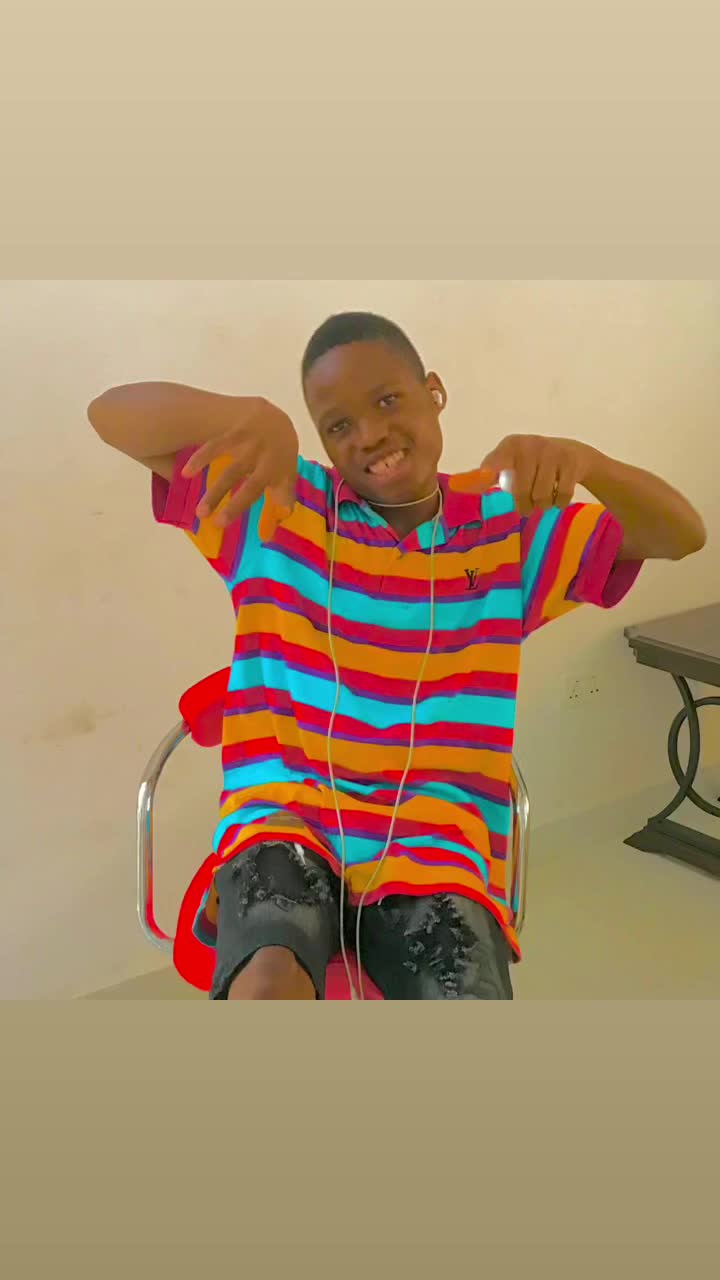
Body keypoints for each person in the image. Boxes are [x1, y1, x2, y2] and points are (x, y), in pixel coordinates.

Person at [89, 311, 706, 1000]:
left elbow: (681, 534)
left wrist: (590, 464)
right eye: (338, 425)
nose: (370, 434)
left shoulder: (509, 532)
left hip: (437, 843)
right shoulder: (278, 507)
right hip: (286, 818)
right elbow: (110, 416)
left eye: (387, 400)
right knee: (267, 979)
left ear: (433, 392)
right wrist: (245, 414)